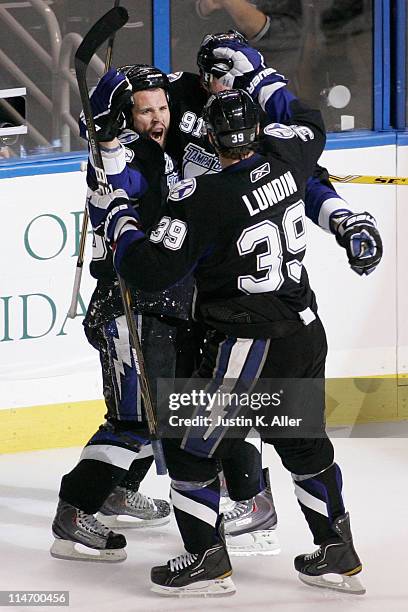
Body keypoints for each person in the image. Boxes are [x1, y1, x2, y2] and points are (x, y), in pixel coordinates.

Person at [87, 80, 371, 596]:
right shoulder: (289, 154)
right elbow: (310, 118)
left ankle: (206, 563)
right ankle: (337, 553)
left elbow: (149, 270)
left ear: (213, 141)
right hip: (304, 331)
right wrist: (260, 75)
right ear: (258, 129)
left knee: (190, 450)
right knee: (303, 445)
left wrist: (119, 217)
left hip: (249, 343)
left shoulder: (207, 197)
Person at [50, 65, 184, 562]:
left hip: (155, 303)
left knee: (157, 413)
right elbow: (118, 172)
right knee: (130, 418)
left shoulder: (160, 144)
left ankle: (114, 489)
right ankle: (73, 513)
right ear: (125, 116)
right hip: (122, 306)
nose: (157, 118)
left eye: (162, 107)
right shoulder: (115, 153)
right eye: (145, 109)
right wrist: (105, 136)